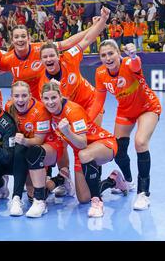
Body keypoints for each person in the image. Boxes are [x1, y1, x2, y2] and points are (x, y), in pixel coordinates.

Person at [91, 41, 161, 210]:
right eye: (103, 55)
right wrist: (86, 121)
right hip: (125, 111)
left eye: (111, 53)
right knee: (118, 149)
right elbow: (98, 102)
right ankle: (128, 182)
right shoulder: (100, 73)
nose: (108, 58)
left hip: (147, 107)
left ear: (118, 53)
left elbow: (136, 64)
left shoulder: (129, 63)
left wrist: (134, 55)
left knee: (140, 142)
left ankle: (143, 194)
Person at [41, 81, 127, 217]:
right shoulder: (47, 111)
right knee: (83, 198)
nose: (50, 102)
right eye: (46, 98)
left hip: (103, 143)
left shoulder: (73, 111)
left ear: (61, 96)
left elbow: (82, 143)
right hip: (80, 152)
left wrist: (67, 132)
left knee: (85, 154)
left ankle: (97, 203)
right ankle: (114, 180)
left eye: (54, 98)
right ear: (42, 99)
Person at [6, 81, 72, 217]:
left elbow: (38, 141)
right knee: (31, 194)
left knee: (33, 151)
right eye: (16, 96)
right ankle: (60, 179)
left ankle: (39, 201)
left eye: (24, 95)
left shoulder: (40, 111)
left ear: (30, 95)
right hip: (28, 149)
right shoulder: (9, 107)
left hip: (49, 146)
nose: (20, 99)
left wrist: (23, 140)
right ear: (11, 97)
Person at [38, 7, 111, 125]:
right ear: (41, 61)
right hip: (70, 110)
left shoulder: (69, 57)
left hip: (90, 102)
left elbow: (87, 40)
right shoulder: (44, 84)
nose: (49, 59)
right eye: (45, 57)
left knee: (91, 139)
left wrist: (103, 19)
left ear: (58, 56)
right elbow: (49, 108)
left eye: (52, 56)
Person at [0, 23, 98, 101]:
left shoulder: (41, 48)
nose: (20, 40)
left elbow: (67, 43)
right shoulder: (7, 59)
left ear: (29, 38)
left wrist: (93, 27)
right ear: (12, 40)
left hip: (45, 99)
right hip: (24, 100)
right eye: (16, 37)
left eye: (23, 36)